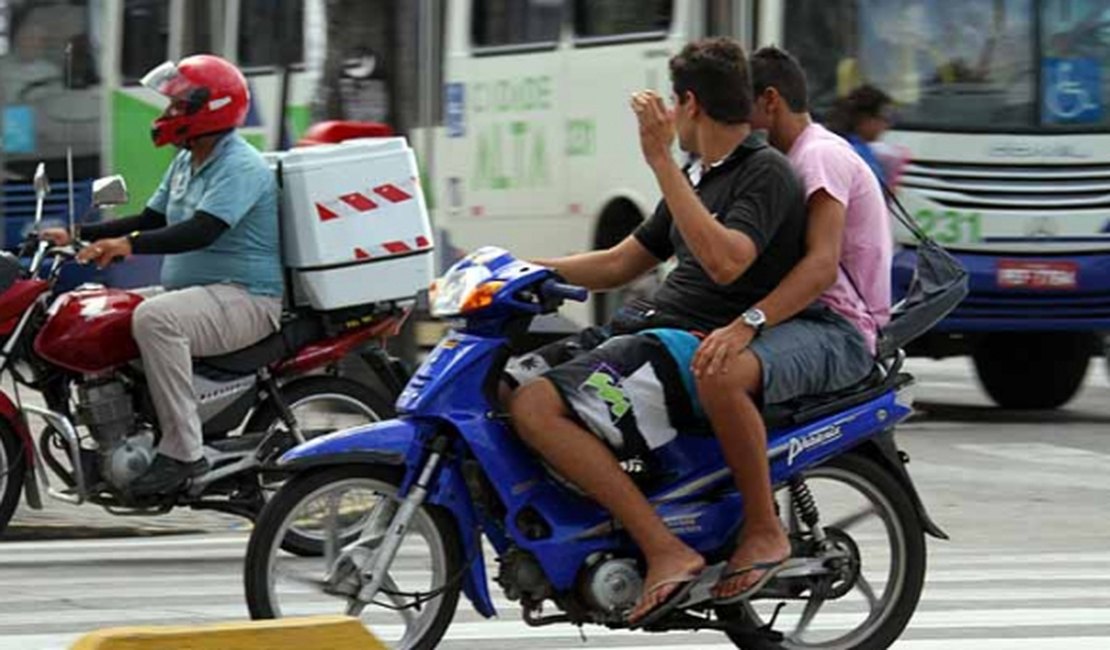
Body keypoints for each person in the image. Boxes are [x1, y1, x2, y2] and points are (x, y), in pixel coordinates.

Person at [505, 37, 807, 624]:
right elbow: (623, 262)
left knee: (538, 408)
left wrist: (662, 163)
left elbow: (727, 262)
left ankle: (664, 548)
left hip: (690, 347)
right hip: (643, 333)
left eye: (674, 102)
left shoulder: (763, 171)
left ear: (689, 105)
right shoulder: (700, 174)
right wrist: (517, 269)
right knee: (504, 385)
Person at [688, 46, 892, 602]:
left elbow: (821, 266)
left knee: (721, 373)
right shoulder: (770, 164)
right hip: (802, 318)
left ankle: (763, 529)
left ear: (769, 102)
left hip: (839, 329)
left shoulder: (816, 158)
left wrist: (746, 324)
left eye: (739, 106)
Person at [40, 54, 283, 496]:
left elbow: (202, 230)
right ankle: (128, 426)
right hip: (201, 293)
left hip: (248, 298)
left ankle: (184, 454)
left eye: (176, 106)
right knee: (101, 311)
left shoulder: (240, 165)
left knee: (156, 319)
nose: (166, 115)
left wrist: (128, 247)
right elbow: (152, 217)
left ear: (208, 109)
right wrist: (77, 234)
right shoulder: (188, 161)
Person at [826, 84, 895, 184]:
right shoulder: (853, 152)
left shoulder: (858, 148)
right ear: (864, 118)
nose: (886, 125)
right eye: (883, 118)